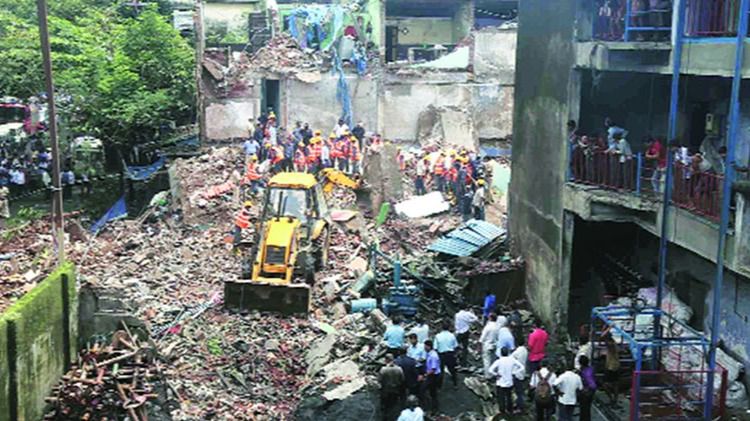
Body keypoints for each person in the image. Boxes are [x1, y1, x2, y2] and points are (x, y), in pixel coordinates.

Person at [489, 347, 524, 415]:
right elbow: (521, 367)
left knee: (501, 397)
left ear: (501, 353)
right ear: (508, 352)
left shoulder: (499, 361)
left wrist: (496, 374)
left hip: (500, 382)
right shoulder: (512, 360)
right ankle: (509, 410)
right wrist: (514, 372)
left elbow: (490, 370)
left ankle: (502, 411)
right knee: (509, 396)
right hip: (509, 382)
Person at [379, 353, 405, 421]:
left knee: (385, 406)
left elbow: (380, 380)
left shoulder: (383, 369)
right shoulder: (399, 369)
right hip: (395, 390)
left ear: (386, 360)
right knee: (393, 405)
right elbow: (402, 379)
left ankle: (385, 418)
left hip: (385, 391)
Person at [433, 321, 459, 388]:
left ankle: (439, 385)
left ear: (441, 327)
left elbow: (435, 348)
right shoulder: (452, 335)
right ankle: (455, 384)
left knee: (440, 371)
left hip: (441, 355)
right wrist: (455, 354)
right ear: (449, 327)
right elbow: (455, 346)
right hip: (450, 354)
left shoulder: (438, 336)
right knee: (452, 370)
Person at [421, 340, 441, 413]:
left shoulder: (433, 356)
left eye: (425, 346)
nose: (424, 348)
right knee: (432, 391)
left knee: (424, 390)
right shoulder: (429, 353)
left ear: (429, 346)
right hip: (431, 375)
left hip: (433, 376)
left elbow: (433, 369)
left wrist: (424, 375)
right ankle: (433, 407)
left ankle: (431, 407)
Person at [479, 313, 500, 378]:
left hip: (487, 345)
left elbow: (483, 337)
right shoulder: (498, 326)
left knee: (486, 361)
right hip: (495, 345)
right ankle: (494, 373)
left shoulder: (488, 326)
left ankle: (488, 376)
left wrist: (479, 344)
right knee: (493, 360)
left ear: (490, 318)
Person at [511, 337, 529, 414]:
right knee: (520, 391)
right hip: (522, 372)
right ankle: (519, 405)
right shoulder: (525, 350)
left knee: (518, 392)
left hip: (516, 372)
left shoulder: (517, 352)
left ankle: (520, 407)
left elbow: (511, 359)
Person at [603, 333, 621, 406]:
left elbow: (602, 336)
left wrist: (608, 327)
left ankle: (612, 399)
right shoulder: (614, 344)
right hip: (615, 366)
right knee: (615, 384)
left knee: (605, 384)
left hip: (611, 367)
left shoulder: (611, 345)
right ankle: (615, 400)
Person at [578, 355, 597, 421]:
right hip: (589, 391)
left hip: (587, 392)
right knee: (586, 409)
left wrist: (586, 390)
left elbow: (592, 384)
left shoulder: (586, 373)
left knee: (584, 409)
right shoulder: (590, 369)